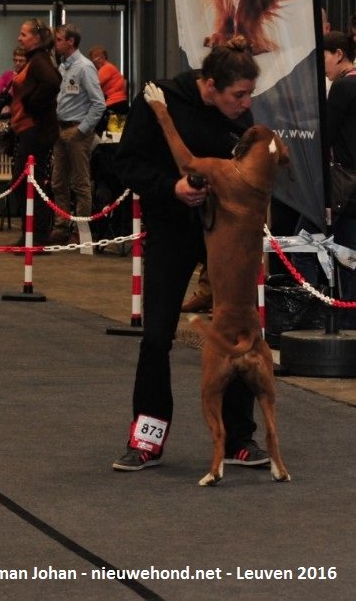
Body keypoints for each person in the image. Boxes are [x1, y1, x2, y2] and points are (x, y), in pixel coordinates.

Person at [111, 37, 267, 472]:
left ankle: (240, 439)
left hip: (225, 237)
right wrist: (171, 188)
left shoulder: (241, 121)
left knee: (237, 334)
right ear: (210, 85)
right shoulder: (158, 99)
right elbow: (126, 164)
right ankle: (147, 438)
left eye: (250, 94)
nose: (245, 103)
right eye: (239, 95)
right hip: (171, 232)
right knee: (157, 335)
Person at [49, 24, 106, 244]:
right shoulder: (63, 68)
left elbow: (99, 104)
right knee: (58, 182)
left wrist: (82, 130)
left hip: (77, 130)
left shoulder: (85, 67)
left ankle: (81, 230)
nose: (56, 43)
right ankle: (61, 227)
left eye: (59, 39)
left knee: (80, 183)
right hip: (60, 129)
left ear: (71, 41)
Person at [7, 18, 60, 244]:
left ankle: (37, 236)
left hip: (35, 131)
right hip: (28, 129)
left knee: (28, 182)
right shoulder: (34, 60)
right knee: (25, 183)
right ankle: (31, 234)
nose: (19, 38)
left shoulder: (39, 60)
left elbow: (52, 82)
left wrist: (31, 103)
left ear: (36, 38)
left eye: (24, 34)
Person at [324, 30, 356, 296]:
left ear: (338, 54)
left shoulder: (343, 86)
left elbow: (327, 134)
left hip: (344, 184)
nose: (322, 69)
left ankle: (324, 312)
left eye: (323, 58)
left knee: (303, 242)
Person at [88, 45, 129, 123]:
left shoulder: (107, 68)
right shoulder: (110, 67)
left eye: (94, 59)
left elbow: (93, 85)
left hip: (114, 104)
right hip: (118, 104)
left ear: (103, 57)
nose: (93, 62)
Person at [0, 48, 26, 114]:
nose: (17, 63)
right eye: (15, 60)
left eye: (21, 61)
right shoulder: (7, 75)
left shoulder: (29, 77)